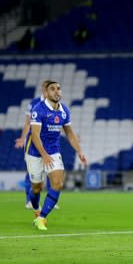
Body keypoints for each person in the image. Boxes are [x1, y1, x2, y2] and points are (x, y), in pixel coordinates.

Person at [26, 81, 87, 230]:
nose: (56, 91)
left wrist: (79, 151)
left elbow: (70, 133)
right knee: (36, 188)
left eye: (59, 88)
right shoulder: (38, 109)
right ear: (46, 93)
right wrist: (44, 154)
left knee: (58, 184)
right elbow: (35, 135)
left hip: (53, 152)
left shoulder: (64, 111)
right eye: (52, 89)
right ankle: (36, 208)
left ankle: (42, 218)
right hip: (35, 153)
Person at [15, 80, 57, 210]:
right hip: (33, 142)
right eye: (47, 89)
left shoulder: (56, 104)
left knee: (51, 169)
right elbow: (28, 123)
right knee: (31, 171)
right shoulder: (34, 104)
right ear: (43, 90)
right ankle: (29, 200)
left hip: (49, 142)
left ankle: (51, 200)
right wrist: (23, 138)